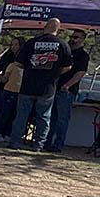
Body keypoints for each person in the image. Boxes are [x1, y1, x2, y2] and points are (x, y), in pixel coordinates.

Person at [8, 18, 73, 150]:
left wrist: (30, 69)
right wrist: (55, 72)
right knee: (43, 117)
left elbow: (18, 63)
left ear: (45, 27)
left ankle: (15, 142)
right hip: (48, 87)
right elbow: (68, 66)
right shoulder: (62, 44)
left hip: (27, 85)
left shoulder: (32, 42)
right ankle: (38, 144)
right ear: (58, 30)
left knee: (21, 115)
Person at [44, 30, 90, 153]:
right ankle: (46, 142)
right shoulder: (65, 51)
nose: (72, 39)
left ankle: (58, 144)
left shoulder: (82, 55)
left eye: (76, 37)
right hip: (54, 87)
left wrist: (68, 85)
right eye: (71, 36)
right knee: (51, 117)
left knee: (62, 119)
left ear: (82, 39)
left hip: (67, 90)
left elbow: (80, 73)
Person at [0, 36, 24, 140]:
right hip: (3, 87)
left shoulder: (23, 59)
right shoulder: (7, 58)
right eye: (12, 44)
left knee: (12, 113)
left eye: (16, 44)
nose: (13, 47)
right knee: (1, 110)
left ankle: (7, 133)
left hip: (17, 89)